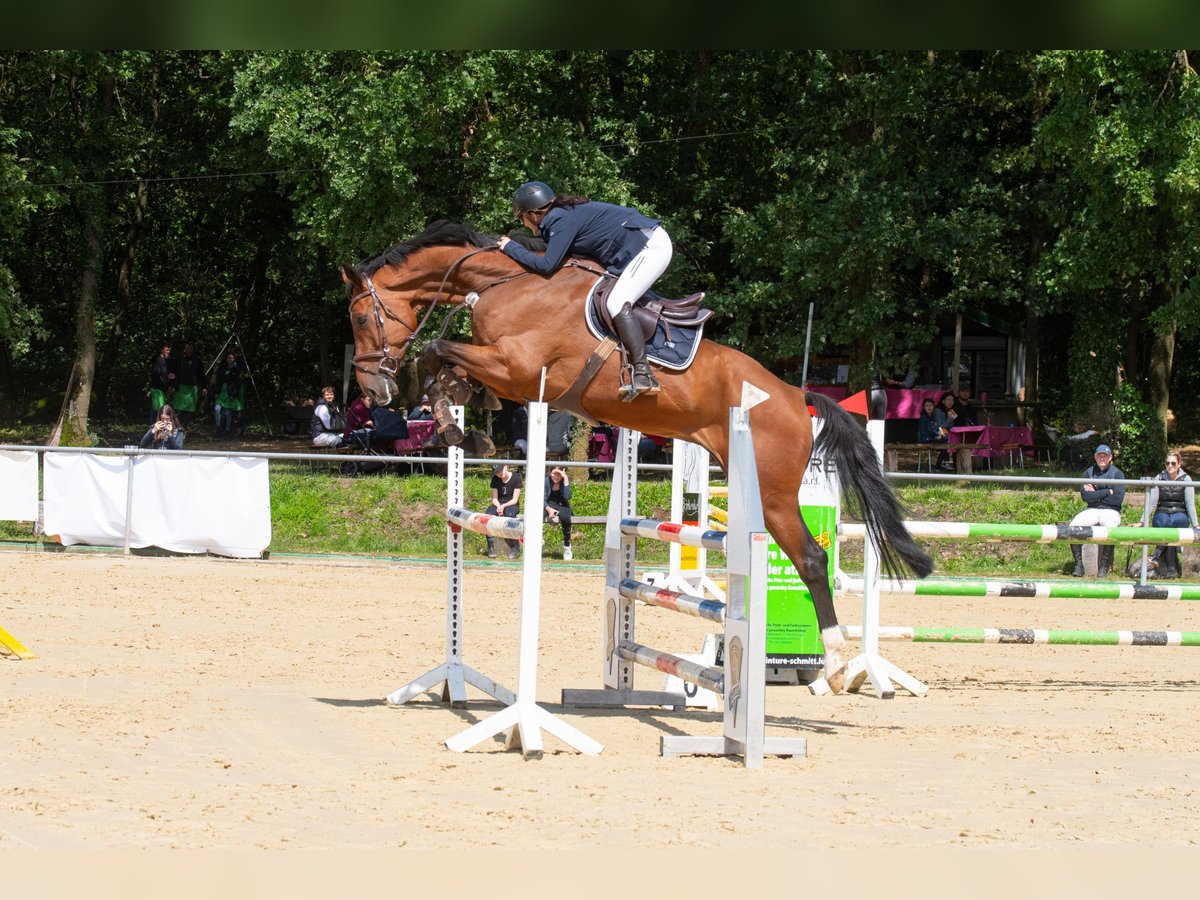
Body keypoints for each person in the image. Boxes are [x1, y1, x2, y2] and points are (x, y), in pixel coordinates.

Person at [498, 180, 679, 401]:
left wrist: (510, 247)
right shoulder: (560, 217)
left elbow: (547, 265)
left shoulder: (560, 220)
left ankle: (643, 372)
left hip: (651, 247)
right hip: (637, 248)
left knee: (617, 301)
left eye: (522, 218)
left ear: (534, 214)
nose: (524, 225)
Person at [1068, 444, 1125, 578]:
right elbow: (1086, 497)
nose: (1102, 458)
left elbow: (1117, 499)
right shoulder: (1088, 472)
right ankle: (1078, 565)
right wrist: (1107, 491)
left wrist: (1096, 494)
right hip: (1092, 509)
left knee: (1110, 529)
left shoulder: (1117, 473)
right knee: (1072, 527)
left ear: (1110, 458)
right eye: (1099, 455)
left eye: (1105, 456)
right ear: (1095, 457)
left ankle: (1104, 567)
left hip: (1111, 511)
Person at [1146, 450, 1197, 579]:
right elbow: (1152, 502)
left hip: (1180, 513)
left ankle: (1157, 555)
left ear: (1179, 464)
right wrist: (1142, 521)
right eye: (1167, 463)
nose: (1170, 466)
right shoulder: (1159, 477)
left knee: (1173, 523)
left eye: (1173, 463)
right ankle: (1172, 569)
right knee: (1163, 523)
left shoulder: (1187, 479)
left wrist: (1196, 525)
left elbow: (1190, 504)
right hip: (1162, 511)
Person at [485, 463, 523, 559]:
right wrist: (499, 506)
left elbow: (515, 499)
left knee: (510, 516)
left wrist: (503, 506)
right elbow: (494, 498)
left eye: (501, 470)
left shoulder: (516, 478)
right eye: (497, 472)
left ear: (506, 467)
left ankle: (515, 547)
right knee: (488, 515)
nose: (499, 473)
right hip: (498, 503)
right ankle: (490, 546)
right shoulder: (495, 479)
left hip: (511, 504)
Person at [171, 342, 206, 426]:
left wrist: (204, 387)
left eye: (191, 349)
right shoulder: (179, 360)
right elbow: (173, 373)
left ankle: (184, 428)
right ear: (184, 350)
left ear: (193, 350)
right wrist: (172, 385)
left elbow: (202, 375)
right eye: (187, 349)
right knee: (179, 410)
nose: (189, 351)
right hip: (181, 388)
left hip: (192, 389)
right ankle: (175, 427)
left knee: (189, 411)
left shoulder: (197, 361)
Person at [544, 465, 574, 560]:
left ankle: (567, 545)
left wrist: (565, 478)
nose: (556, 476)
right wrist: (548, 509)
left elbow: (567, 496)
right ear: (550, 473)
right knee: (536, 515)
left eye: (559, 474)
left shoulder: (564, 481)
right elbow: (540, 499)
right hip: (546, 504)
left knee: (566, 516)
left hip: (561, 504)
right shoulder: (545, 481)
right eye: (554, 473)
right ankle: (537, 541)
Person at [212, 351, 244, 436]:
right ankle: (218, 427)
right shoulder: (223, 368)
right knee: (217, 409)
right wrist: (216, 392)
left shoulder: (236, 370)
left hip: (230, 392)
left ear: (234, 359)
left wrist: (233, 394)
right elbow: (218, 381)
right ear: (226, 359)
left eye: (232, 358)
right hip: (221, 392)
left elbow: (237, 384)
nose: (230, 360)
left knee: (227, 412)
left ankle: (227, 429)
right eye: (229, 358)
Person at [932, 392, 959, 470]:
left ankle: (944, 464)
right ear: (943, 401)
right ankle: (945, 462)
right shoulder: (938, 411)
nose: (951, 402)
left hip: (946, 435)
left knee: (955, 440)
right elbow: (940, 427)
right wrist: (949, 419)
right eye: (948, 400)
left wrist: (951, 419)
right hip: (936, 434)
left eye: (952, 400)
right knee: (946, 441)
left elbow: (950, 428)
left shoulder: (950, 411)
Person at [149, 342, 174, 414]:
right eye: (167, 350)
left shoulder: (163, 361)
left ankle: (154, 424)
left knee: (158, 410)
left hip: (161, 390)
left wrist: (168, 376)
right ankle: (152, 425)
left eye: (169, 350)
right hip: (157, 389)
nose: (168, 352)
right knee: (158, 411)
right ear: (162, 350)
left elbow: (162, 374)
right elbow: (156, 374)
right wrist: (164, 384)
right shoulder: (158, 361)